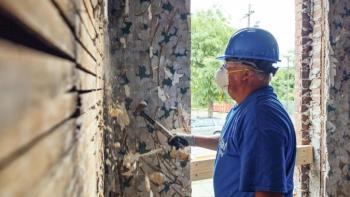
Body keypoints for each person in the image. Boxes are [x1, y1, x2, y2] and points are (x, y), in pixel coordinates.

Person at [169, 28, 296, 197]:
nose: (222, 72)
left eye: (227, 67)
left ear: (247, 74)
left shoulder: (261, 118)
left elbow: (268, 193)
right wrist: (191, 140)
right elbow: (230, 144)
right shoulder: (245, 106)